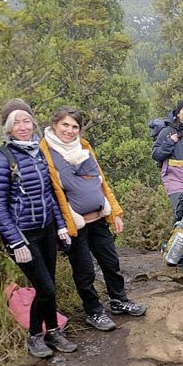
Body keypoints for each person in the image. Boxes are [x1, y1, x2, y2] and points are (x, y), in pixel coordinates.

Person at [40, 107, 147, 332]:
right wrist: (60, 226)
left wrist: (114, 213)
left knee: (111, 262)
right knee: (84, 270)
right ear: (55, 125)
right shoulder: (46, 152)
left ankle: (119, 300)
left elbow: (101, 183)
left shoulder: (84, 146)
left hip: (99, 218)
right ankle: (94, 312)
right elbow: (51, 193)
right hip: (74, 225)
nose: (69, 131)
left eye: (74, 126)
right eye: (65, 125)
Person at [0, 99, 76, 358]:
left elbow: (49, 194)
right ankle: (35, 336)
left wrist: (59, 226)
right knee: (45, 287)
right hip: (23, 236)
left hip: (46, 229)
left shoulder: (37, 152)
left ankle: (53, 332)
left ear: (33, 122)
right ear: (7, 127)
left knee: (49, 286)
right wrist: (15, 242)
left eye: (26, 121)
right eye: (16, 122)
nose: (22, 126)